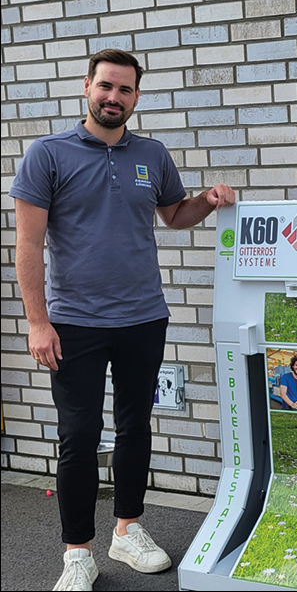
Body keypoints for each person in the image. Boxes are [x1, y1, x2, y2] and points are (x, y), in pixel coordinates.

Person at [10, 49, 236, 591]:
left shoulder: (152, 155)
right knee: (79, 434)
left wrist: (206, 199)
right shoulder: (48, 154)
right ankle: (78, 552)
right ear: (86, 86)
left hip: (142, 317)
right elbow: (28, 242)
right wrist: (38, 323)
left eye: (126, 90)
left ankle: (128, 529)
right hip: (74, 323)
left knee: (136, 426)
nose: (115, 97)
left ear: (136, 97)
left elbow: (174, 214)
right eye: (106, 87)